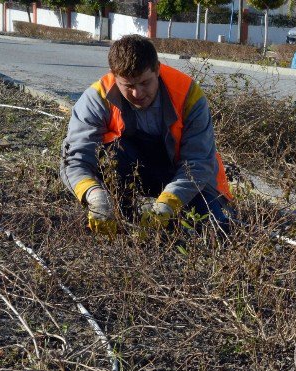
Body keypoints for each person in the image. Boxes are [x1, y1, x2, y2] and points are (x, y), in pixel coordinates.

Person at [60, 34, 233, 237]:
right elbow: (75, 159)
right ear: (114, 77)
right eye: (129, 86)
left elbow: (198, 162)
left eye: (145, 83)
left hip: (184, 175)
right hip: (130, 168)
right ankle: (122, 212)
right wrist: (95, 196)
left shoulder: (188, 95)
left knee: (215, 230)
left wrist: (168, 202)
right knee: (110, 154)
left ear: (158, 69)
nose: (138, 94)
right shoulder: (97, 98)